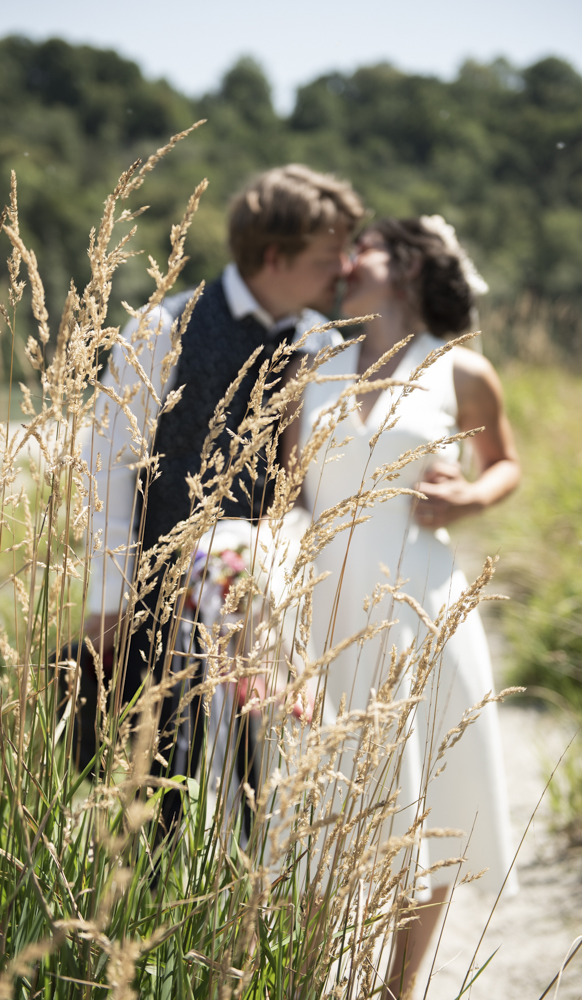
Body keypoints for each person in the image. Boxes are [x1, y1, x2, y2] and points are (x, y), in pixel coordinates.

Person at [77, 166, 363, 830]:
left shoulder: (324, 343)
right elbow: (107, 471)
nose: (345, 268)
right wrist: (107, 602)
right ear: (274, 255)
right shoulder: (162, 327)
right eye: (329, 256)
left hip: (275, 619)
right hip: (156, 602)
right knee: (155, 796)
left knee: (262, 798)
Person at [282, 215, 520, 997]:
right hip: (321, 609)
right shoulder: (310, 360)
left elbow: (504, 465)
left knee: (427, 802)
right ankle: (308, 971)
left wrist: (469, 497)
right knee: (314, 801)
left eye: (369, 248)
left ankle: (398, 987)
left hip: (423, 600)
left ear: (411, 267)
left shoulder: (461, 371)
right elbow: (282, 491)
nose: (348, 261)